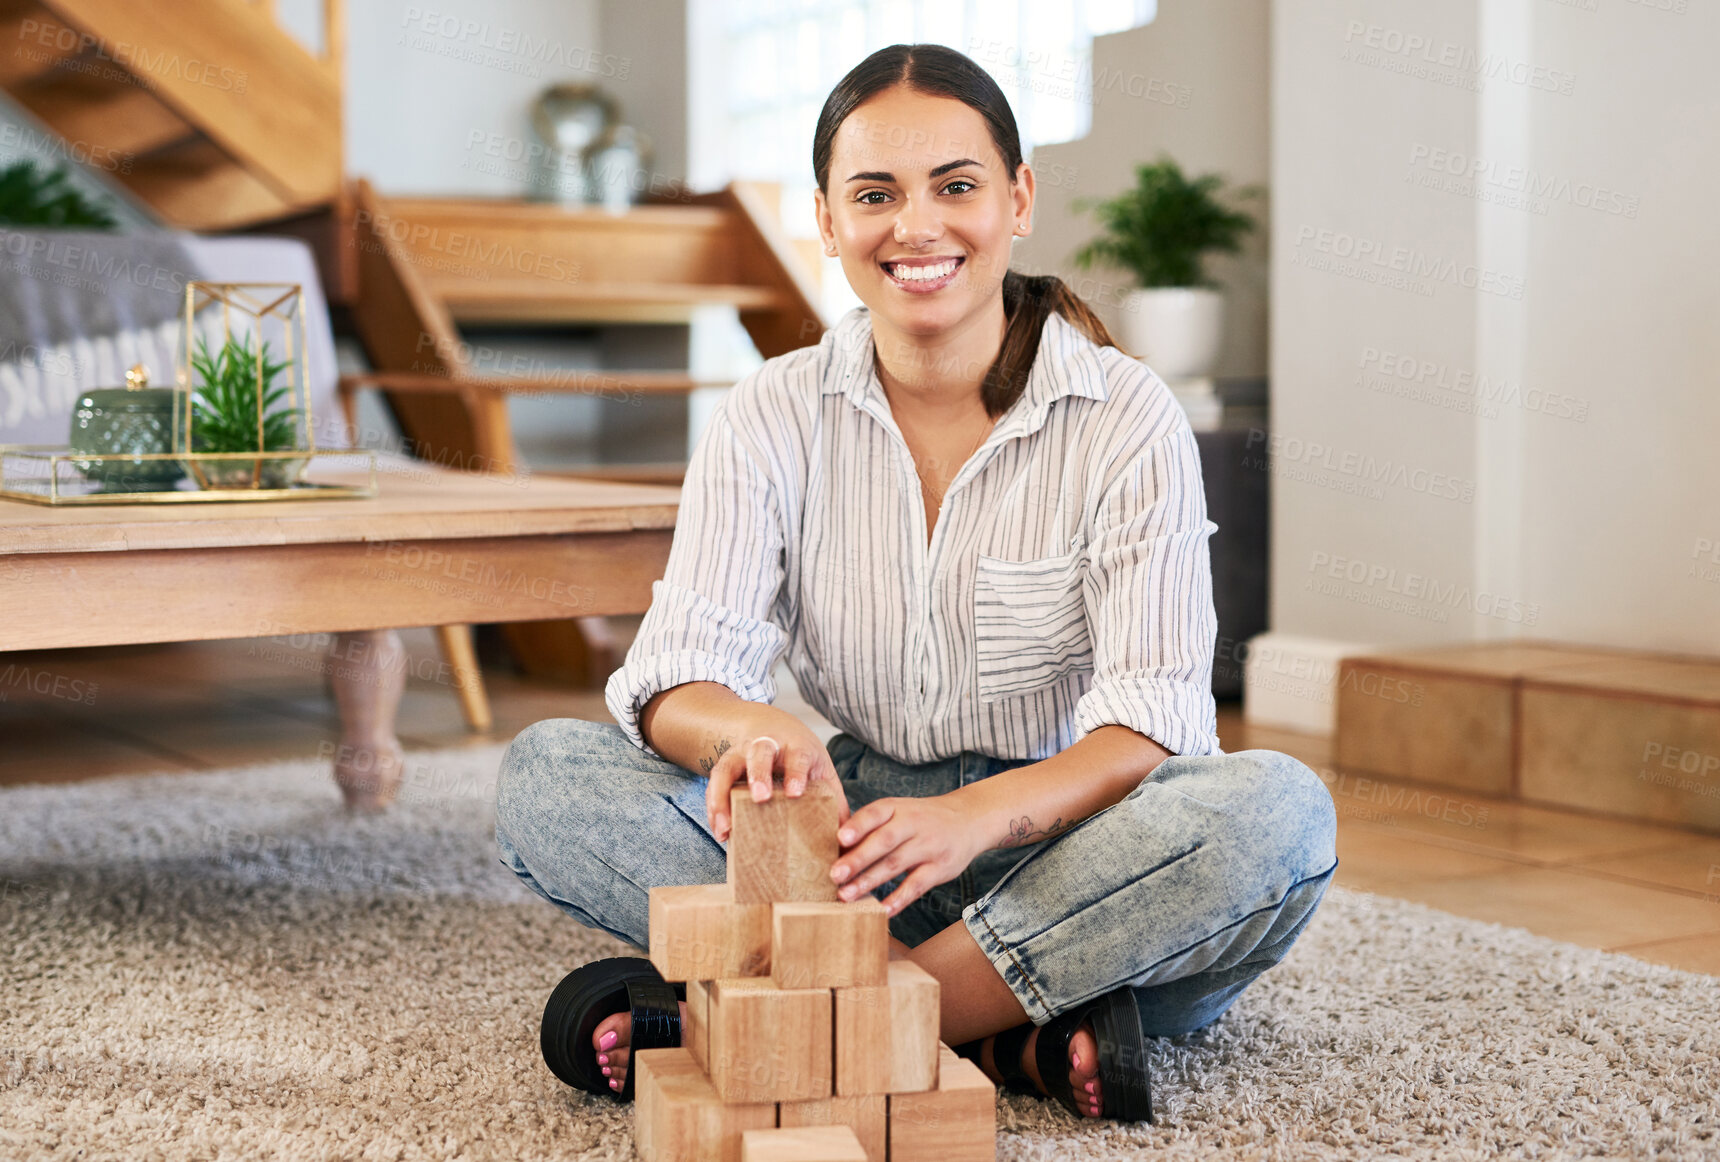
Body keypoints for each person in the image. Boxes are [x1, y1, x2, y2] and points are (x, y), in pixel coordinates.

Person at [495, 42, 1336, 1123]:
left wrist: (976, 818)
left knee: (1277, 816)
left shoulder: (1127, 417)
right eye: (875, 194)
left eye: (956, 185)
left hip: (1068, 839)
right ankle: (1016, 1027)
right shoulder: (770, 411)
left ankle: (794, 1017)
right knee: (545, 776)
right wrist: (745, 731)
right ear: (829, 219)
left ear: (1018, 197)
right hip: (846, 843)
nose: (918, 226)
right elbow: (673, 679)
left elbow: (1155, 725)